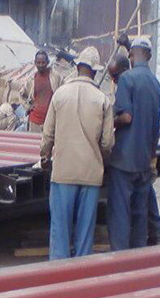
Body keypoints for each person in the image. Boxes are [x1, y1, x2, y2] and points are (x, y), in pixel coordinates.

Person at [40, 46, 114, 260]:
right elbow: (107, 142)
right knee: (85, 235)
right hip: (90, 173)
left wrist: (45, 156)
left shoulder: (60, 94)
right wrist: (101, 160)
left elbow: (47, 135)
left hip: (64, 172)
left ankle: (58, 274)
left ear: (78, 66)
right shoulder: (102, 99)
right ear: (95, 71)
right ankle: (82, 274)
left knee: (60, 231)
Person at [106, 36, 160, 251]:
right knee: (140, 212)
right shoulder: (156, 84)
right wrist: (151, 156)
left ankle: (119, 257)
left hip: (124, 159)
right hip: (144, 159)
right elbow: (156, 126)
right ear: (149, 56)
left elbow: (126, 116)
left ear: (130, 56)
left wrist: (108, 121)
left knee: (120, 211)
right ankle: (137, 257)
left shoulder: (127, 79)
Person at [20, 50, 65, 133]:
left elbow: (63, 93)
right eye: (38, 63)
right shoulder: (31, 80)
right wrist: (28, 106)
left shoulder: (55, 77)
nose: (41, 65)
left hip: (51, 120)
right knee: (33, 141)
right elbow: (22, 95)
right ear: (35, 63)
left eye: (43, 62)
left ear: (48, 62)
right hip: (34, 121)